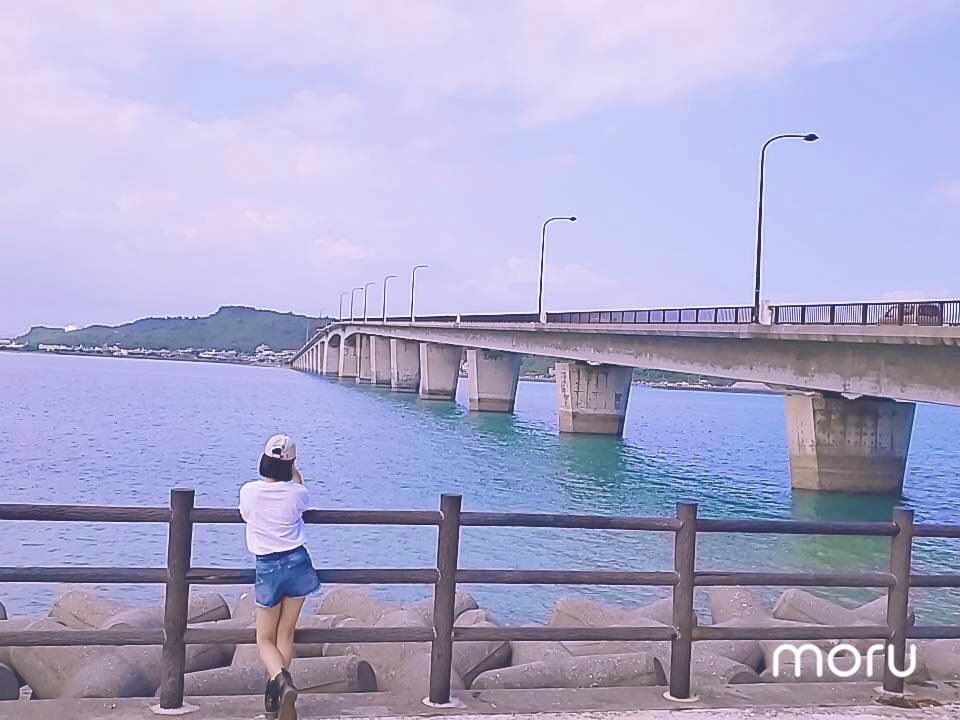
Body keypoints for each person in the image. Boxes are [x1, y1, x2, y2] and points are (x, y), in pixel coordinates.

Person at [239, 434, 320, 720]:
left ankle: (282, 683)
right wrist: (294, 472)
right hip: (298, 562)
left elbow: (247, 515)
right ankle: (277, 695)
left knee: (264, 639)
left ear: (264, 460)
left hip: (269, 567)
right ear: (291, 464)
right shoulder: (297, 493)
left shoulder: (249, 491)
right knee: (285, 633)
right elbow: (300, 493)